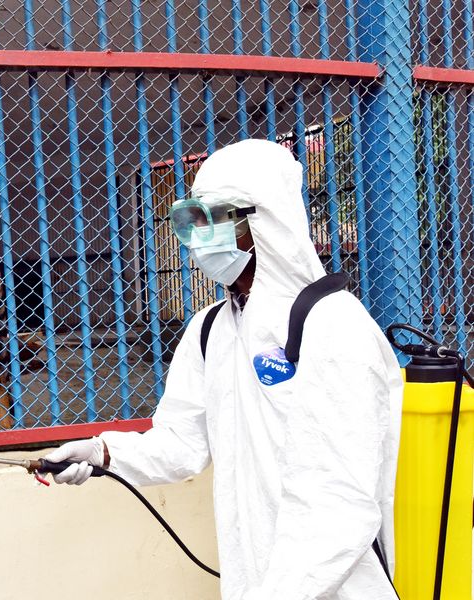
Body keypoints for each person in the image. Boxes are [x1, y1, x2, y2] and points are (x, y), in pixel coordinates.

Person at [45, 139, 403, 599]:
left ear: (267, 220)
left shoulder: (333, 326)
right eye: (194, 219)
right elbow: (183, 442)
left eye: (218, 218)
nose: (201, 235)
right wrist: (103, 454)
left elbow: (341, 503)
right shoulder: (210, 329)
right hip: (253, 579)